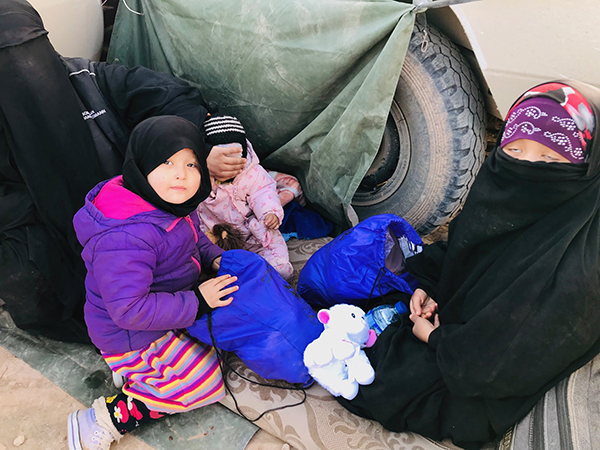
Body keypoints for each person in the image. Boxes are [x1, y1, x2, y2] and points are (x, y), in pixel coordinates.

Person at [337, 81, 600, 449]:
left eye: (549, 159)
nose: (526, 166)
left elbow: (497, 367)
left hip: (486, 375)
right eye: (516, 149)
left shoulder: (581, 266)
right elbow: (466, 247)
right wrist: (429, 284)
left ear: (585, 166)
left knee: (383, 383)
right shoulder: (500, 194)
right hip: (465, 331)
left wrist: (434, 338)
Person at [0, 0, 246, 342]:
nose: (24, 67)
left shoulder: (87, 81)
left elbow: (172, 96)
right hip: (35, 225)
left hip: (130, 213)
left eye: (32, 52)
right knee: (30, 290)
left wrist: (195, 148)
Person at [68, 116, 238, 450]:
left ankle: (139, 374)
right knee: (203, 382)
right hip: (130, 331)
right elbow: (128, 310)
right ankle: (105, 419)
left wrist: (214, 257)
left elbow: (191, 239)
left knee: (221, 337)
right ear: (141, 164)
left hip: (163, 306)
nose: (181, 174)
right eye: (167, 161)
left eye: (191, 163)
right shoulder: (127, 236)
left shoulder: (167, 200)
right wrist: (198, 302)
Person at [196, 115, 294, 279]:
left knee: (271, 242)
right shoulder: (200, 178)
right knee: (209, 258)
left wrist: (270, 213)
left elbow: (263, 192)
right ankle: (230, 273)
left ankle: (274, 271)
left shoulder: (252, 173)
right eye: (225, 164)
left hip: (250, 230)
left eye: (237, 163)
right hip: (216, 234)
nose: (232, 170)